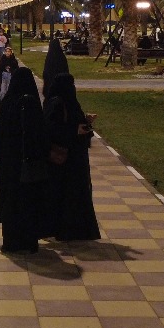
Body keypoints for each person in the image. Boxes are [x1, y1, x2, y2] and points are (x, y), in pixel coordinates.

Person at [0, 68, 54, 254]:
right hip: (27, 164)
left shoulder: (7, 102)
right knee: (28, 202)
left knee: (11, 201)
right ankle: (28, 242)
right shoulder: (30, 103)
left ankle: (11, 242)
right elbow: (39, 134)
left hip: (8, 162)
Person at [43, 72, 100, 241]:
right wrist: (75, 130)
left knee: (74, 195)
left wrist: (86, 122)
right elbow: (51, 129)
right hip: (65, 159)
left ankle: (74, 230)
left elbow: (73, 122)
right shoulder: (56, 103)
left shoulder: (69, 102)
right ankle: (65, 230)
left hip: (75, 158)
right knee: (66, 195)